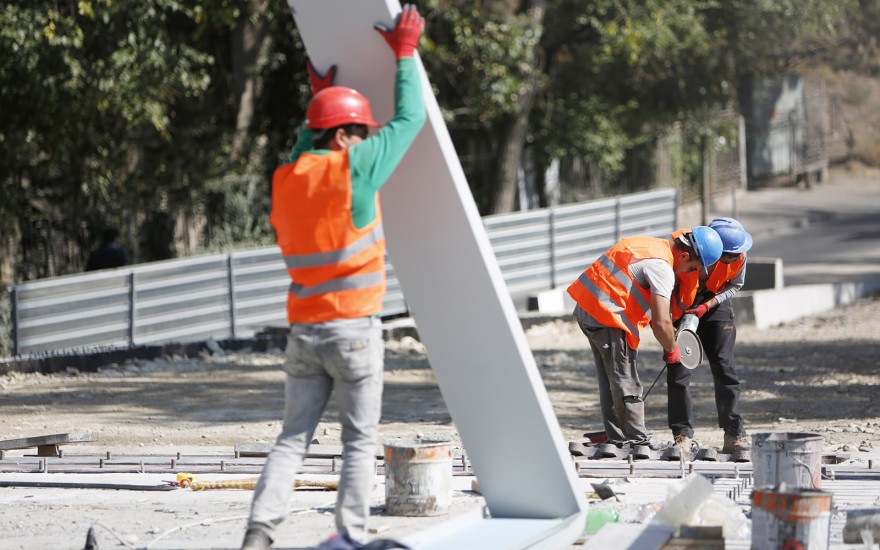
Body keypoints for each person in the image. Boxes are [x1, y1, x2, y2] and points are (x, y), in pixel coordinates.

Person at [240, 6, 426, 550]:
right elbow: (408, 120)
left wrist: (315, 106)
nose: (365, 138)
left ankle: (259, 532)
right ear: (345, 137)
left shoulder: (285, 179)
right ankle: (350, 538)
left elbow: (304, 152)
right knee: (357, 442)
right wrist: (406, 53)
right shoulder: (357, 167)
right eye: (358, 131)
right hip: (353, 333)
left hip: (303, 334)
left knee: (291, 440)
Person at [567, 227, 724, 454]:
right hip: (607, 317)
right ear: (684, 255)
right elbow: (661, 323)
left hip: (588, 307)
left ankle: (619, 438)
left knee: (610, 381)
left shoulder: (649, 245)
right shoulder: (662, 268)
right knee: (625, 380)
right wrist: (672, 350)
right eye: (693, 268)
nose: (690, 272)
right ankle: (638, 442)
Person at [666, 218, 753, 456]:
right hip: (684, 304)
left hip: (716, 304)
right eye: (729, 256)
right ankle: (682, 435)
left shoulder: (739, 254)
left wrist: (708, 305)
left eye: (738, 254)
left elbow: (736, 285)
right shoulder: (685, 252)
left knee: (725, 367)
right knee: (679, 368)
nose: (736, 258)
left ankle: (734, 433)